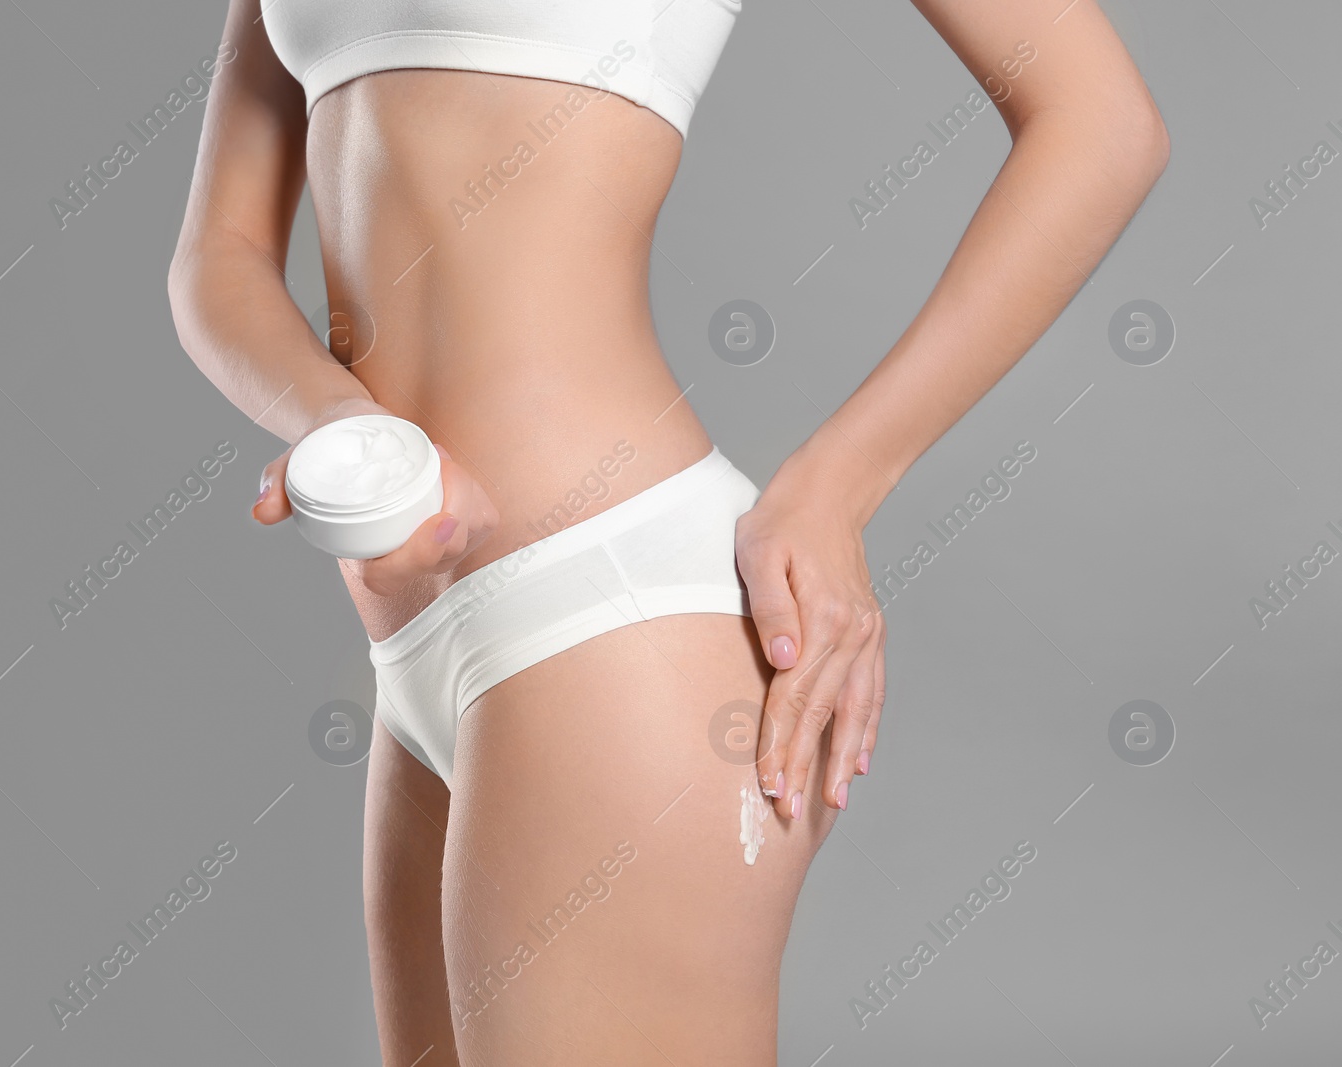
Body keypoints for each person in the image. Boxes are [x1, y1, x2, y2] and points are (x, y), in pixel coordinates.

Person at [167, 1, 1168, 1062]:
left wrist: (836, 486)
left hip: (611, 612)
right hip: (417, 650)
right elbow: (217, 251)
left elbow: (1102, 121)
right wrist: (349, 429)